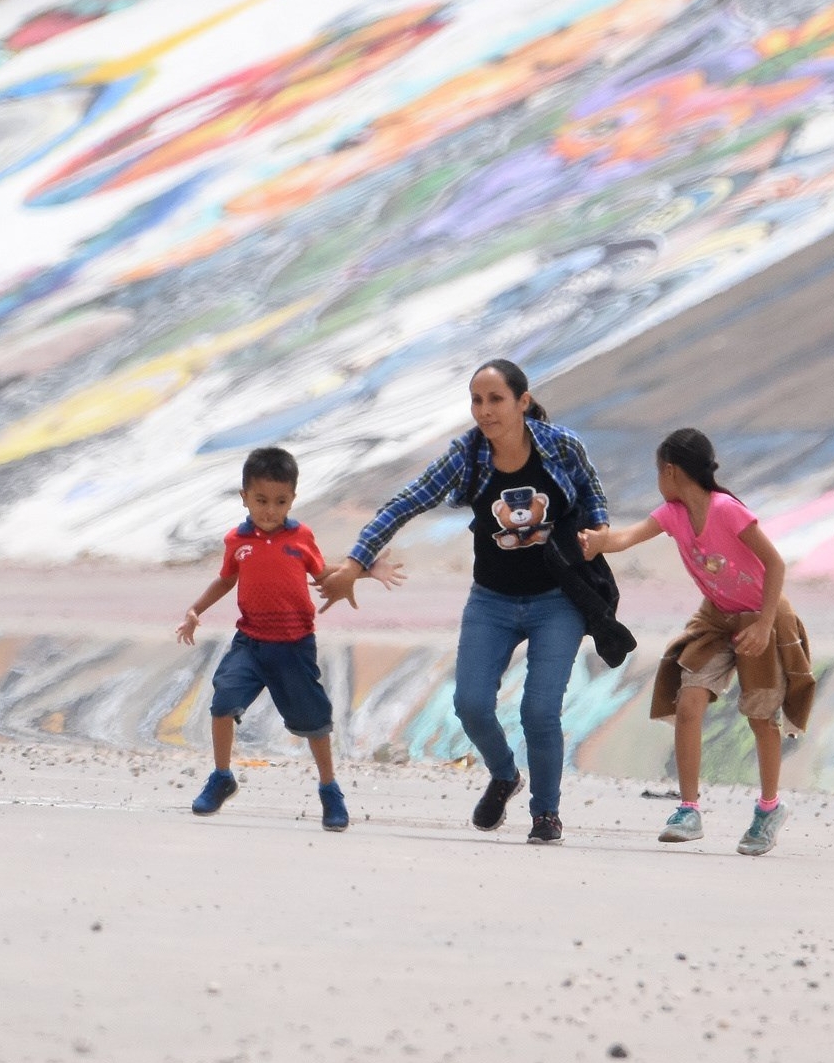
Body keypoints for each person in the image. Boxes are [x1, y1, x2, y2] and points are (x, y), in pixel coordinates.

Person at [324, 359, 610, 846]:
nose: (484, 410)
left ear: (522, 402)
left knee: (540, 711)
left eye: (495, 399)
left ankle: (546, 814)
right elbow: (405, 501)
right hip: (492, 602)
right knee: (470, 704)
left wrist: (600, 532)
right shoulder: (468, 456)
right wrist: (355, 562)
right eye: (476, 400)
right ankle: (503, 774)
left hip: (556, 601)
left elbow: (591, 491)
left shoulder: (561, 445)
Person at [577, 428, 812, 855]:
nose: (658, 481)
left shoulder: (727, 510)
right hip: (715, 617)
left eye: (657, 472)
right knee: (689, 702)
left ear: (670, 470)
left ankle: (769, 808)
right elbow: (626, 538)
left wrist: (762, 625)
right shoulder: (672, 513)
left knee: (761, 717)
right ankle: (688, 809)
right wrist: (597, 542)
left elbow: (775, 563)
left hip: (763, 614)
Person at [177, 446, 396, 831]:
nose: (270, 510)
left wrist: (366, 571)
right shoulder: (236, 540)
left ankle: (330, 788)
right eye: (261, 500)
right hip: (250, 642)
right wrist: (196, 610)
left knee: (314, 722)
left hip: (294, 645)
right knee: (222, 702)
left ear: (293, 499)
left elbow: (323, 573)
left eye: (280, 501)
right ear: (244, 497)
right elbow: (226, 578)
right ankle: (222, 777)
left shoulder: (300, 536)